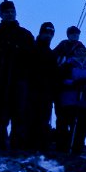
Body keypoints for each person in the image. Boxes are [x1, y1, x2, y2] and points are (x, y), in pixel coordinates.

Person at [0, 0, 35, 150]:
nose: (9, 14)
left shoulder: (25, 35)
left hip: (19, 82)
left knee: (19, 116)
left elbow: (32, 60)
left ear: (15, 13)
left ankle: (18, 147)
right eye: (6, 12)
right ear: (1, 14)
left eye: (11, 11)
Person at [57, 42, 86, 154]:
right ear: (74, 52)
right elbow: (62, 79)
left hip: (85, 99)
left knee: (83, 124)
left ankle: (77, 147)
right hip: (70, 98)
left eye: (83, 51)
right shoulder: (68, 65)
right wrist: (74, 83)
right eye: (78, 50)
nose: (81, 52)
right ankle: (65, 147)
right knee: (70, 123)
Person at [27, 22, 58, 152]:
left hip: (45, 93)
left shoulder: (51, 54)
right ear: (41, 32)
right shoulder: (31, 49)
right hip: (31, 90)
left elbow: (54, 74)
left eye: (51, 33)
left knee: (43, 119)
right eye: (47, 32)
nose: (49, 35)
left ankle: (40, 147)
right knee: (29, 118)